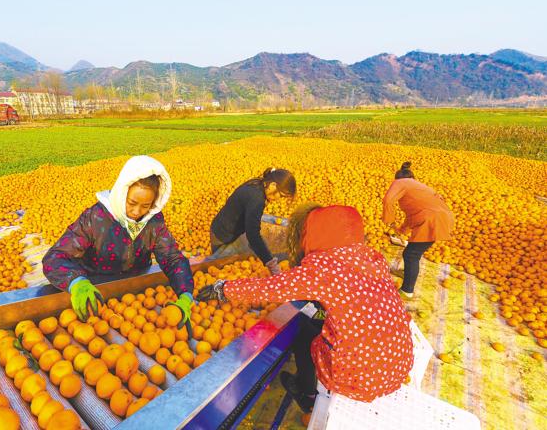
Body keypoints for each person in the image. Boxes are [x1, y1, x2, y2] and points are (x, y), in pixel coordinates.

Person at [198, 204, 414, 410]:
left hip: (357, 377)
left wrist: (224, 289)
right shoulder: (372, 258)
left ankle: (306, 392)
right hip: (397, 364)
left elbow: (272, 288)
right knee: (321, 325)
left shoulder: (324, 268)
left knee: (305, 336)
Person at [43, 155, 194, 332]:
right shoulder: (95, 218)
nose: (137, 212)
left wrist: (185, 296)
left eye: (145, 206)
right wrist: (76, 282)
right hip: (94, 291)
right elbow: (55, 257)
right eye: (132, 203)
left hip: (135, 296)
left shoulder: (154, 222)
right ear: (122, 193)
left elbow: (172, 258)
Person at [382, 162, 454, 299]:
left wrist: (389, 221)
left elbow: (387, 200)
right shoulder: (419, 188)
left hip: (432, 219)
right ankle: (409, 273)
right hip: (441, 218)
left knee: (411, 254)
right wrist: (401, 230)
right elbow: (413, 215)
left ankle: (407, 291)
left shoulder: (400, 183)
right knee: (412, 253)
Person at [209, 168, 296, 274]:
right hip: (222, 235)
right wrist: (271, 263)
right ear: (273, 185)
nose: (278, 199)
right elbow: (253, 235)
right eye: (281, 195)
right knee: (219, 267)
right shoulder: (257, 199)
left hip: (222, 226)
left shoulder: (257, 183)